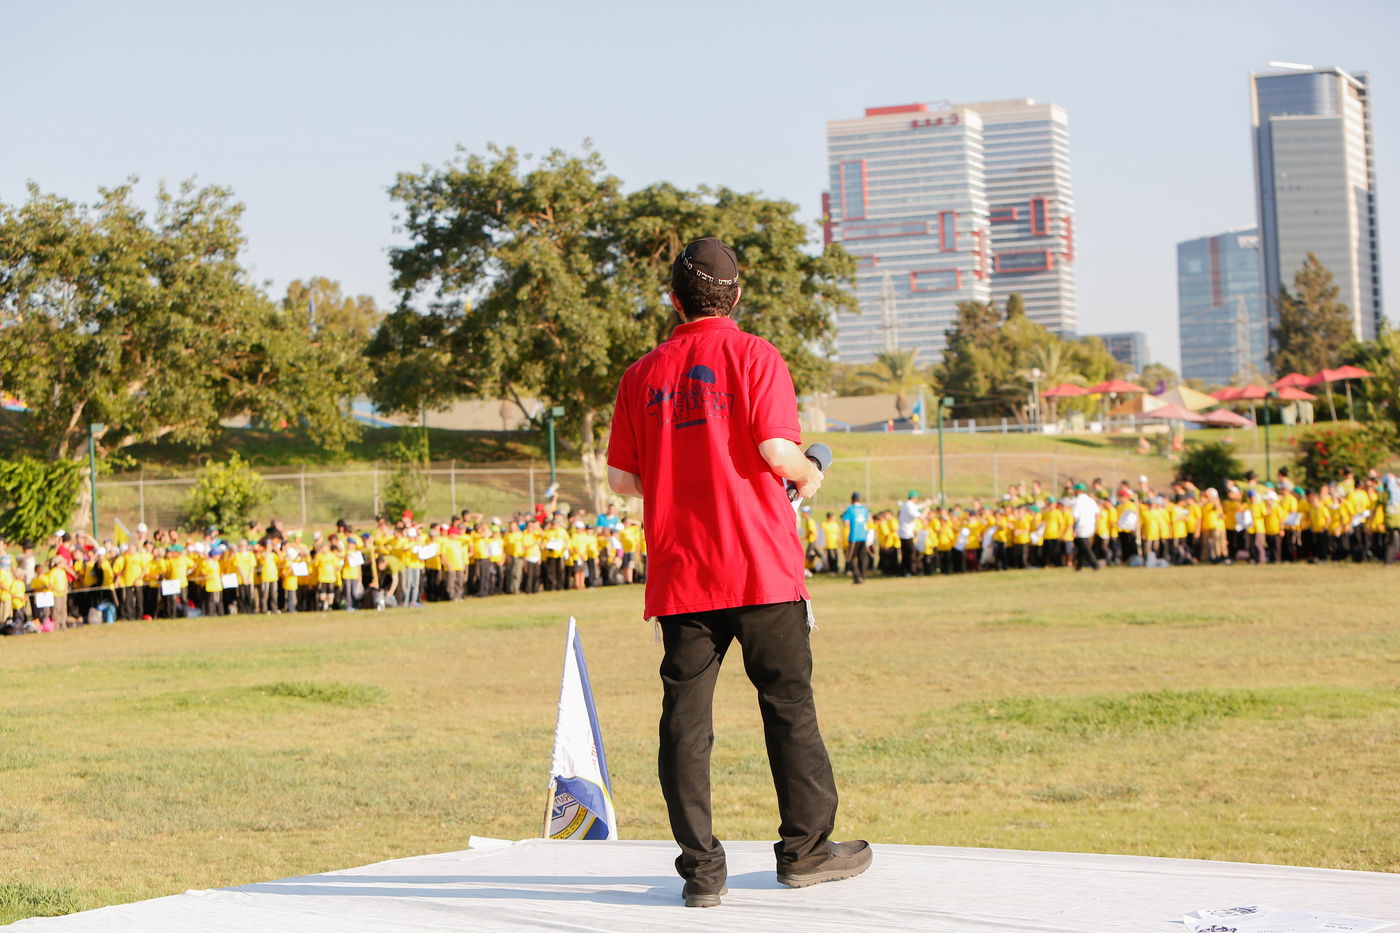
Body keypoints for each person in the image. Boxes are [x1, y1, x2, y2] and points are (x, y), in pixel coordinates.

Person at [607, 237, 870, 910]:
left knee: (685, 721)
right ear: (738, 295)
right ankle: (806, 850)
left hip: (683, 569)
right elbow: (775, 447)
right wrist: (809, 470)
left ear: (673, 300)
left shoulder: (641, 375)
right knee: (787, 706)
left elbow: (621, 479)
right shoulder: (755, 355)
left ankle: (701, 871)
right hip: (760, 564)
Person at [842, 492, 871, 584]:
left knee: (850, 557)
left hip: (854, 537)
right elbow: (868, 520)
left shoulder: (850, 509)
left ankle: (857, 577)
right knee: (863, 557)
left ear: (852, 499)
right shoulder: (865, 509)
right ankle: (863, 575)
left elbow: (846, 523)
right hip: (863, 536)